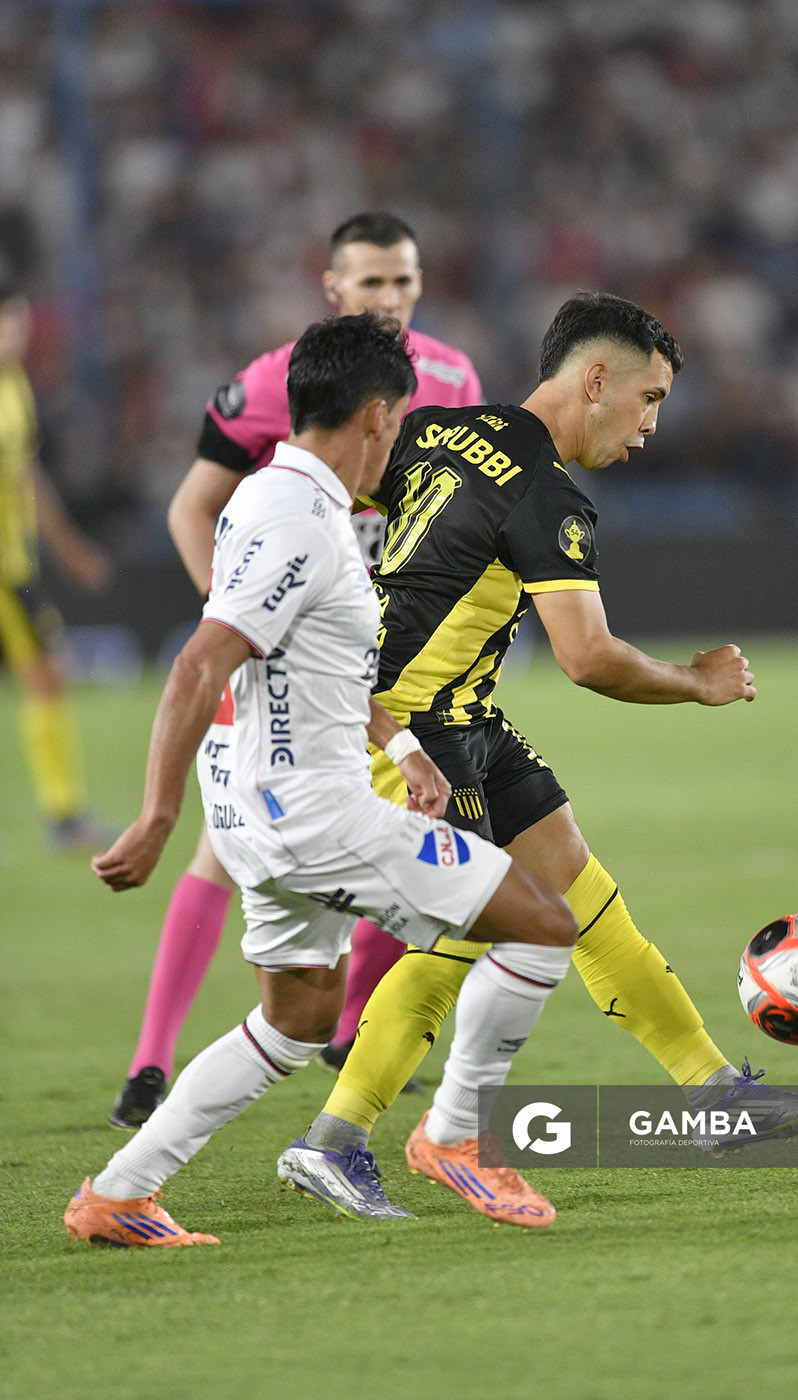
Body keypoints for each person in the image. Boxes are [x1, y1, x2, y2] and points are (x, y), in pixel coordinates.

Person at [279, 292, 798, 1223]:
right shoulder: (545, 495)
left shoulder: (434, 429)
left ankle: (713, 1094)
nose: (651, 426)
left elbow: (345, 500)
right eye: (648, 398)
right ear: (594, 381)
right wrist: (696, 682)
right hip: (412, 736)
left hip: (460, 716)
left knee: (576, 886)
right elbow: (588, 660)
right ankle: (334, 1141)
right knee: (464, 935)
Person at [64, 314, 577, 1247]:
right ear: (377, 415)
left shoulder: (275, 501)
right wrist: (154, 817)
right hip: (311, 812)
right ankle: (456, 1137)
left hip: (268, 808)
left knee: (298, 1017)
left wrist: (408, 751)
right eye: (404, 420)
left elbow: (307, 663)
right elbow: (197, 666)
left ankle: (120, 1192)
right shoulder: (302, 522)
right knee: (545, 925)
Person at [109, 212, 483, 1129]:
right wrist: (243, 618)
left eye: (402, 281)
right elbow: (191, 508)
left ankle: (346, 1031)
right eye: (369, 285)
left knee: (396, 823)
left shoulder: (452, 377)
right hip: (294, 639)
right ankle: (152, 1060)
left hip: (388, 648)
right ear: (333, 289)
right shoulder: (279, 385)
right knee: (231, 845)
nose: (388, 300)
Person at [0, 282, 113, 851]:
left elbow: (27, 477)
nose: (13, 332)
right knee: (48, 675)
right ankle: (64, 815)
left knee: (49, 675)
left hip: (11, 568)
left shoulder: (14, 386)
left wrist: (69, 549)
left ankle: (64, 815)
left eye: (16, 319)